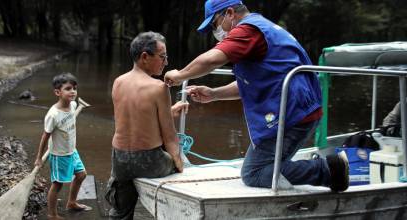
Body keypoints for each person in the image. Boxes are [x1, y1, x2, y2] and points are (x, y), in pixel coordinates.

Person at [164, 0, 349, 192]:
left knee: (254, 173)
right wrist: (214, 94)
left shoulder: (247, 30)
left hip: (293, 111)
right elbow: (248, 83)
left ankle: (329, 169)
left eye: (214, 24)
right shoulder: (260, 28)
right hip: (298, 109)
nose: (215, 31)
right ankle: (325, 169)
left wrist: (180, 74)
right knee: (262, 167)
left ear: (229, 13)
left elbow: (212, 59)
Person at [105, 31, 188, 220]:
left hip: (120, 159)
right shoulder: (159, 88)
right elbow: (169, 136)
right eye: (162, 57)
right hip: (149, 161)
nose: (166, 63)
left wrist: (170, 109)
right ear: (144, 57)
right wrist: (179, 163)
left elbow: (135, 118)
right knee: (180, 162)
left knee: (121, 211)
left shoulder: (118, 82)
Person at [34, 73, 91, 220]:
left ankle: (71, 203)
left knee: (81, 175)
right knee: (57, 185)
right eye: (68, 88)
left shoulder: (72, 105)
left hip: (72, 150)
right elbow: (45, 136)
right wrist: (39, 158)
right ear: (57, 92)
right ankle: (52, 214)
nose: (73, 91)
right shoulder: (53, 115)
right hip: (59, 155)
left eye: (74, 88)